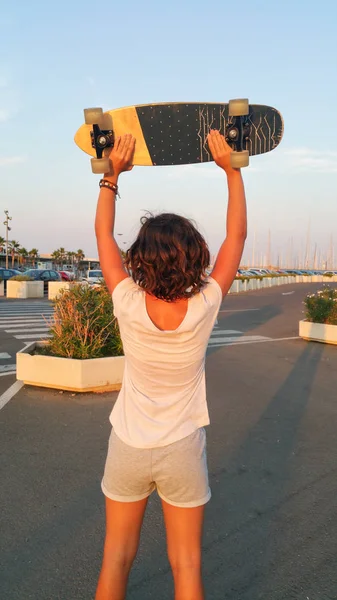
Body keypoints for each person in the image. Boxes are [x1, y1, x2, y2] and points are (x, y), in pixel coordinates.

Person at [94, 130, 247, 600]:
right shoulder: (204, 305)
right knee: (186, 564)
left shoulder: (126, 300)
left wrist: (111, 178)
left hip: (129, 444)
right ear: (196, 256)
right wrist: (232, 170)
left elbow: (102, 233)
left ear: (140, 260)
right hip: (181, 446)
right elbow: (237, 236)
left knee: (117, 557)